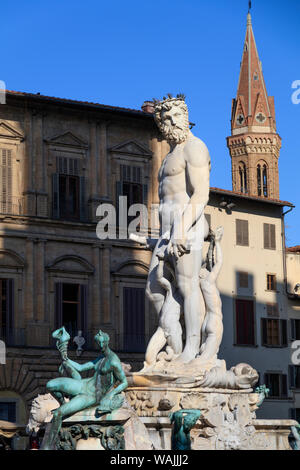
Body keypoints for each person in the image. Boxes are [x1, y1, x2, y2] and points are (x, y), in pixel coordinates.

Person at [144, 94, 210, 365]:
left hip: (187, 228)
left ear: (185, 116)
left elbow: (201, 193)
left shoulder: (194, 148)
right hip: (166, 234)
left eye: (176, 116)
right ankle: (174, 344)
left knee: (187, 285)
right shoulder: (169, 155)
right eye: (166, 119)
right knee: (153, 290)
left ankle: (192, 349)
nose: (172, 122)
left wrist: (181, 229)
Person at [42, 329, 128, 450]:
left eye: (102, 343)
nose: (101, 346)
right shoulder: (101, 358)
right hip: (83, 384)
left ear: (107, 342)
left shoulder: (113, 361)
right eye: (98, 344)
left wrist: (110, 395)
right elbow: (81, 368)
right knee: (50, 385)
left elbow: (124, 382)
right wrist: (66, 358)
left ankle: (47, 446)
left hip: (92, 396)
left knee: (58, 414)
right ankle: (64, 404)